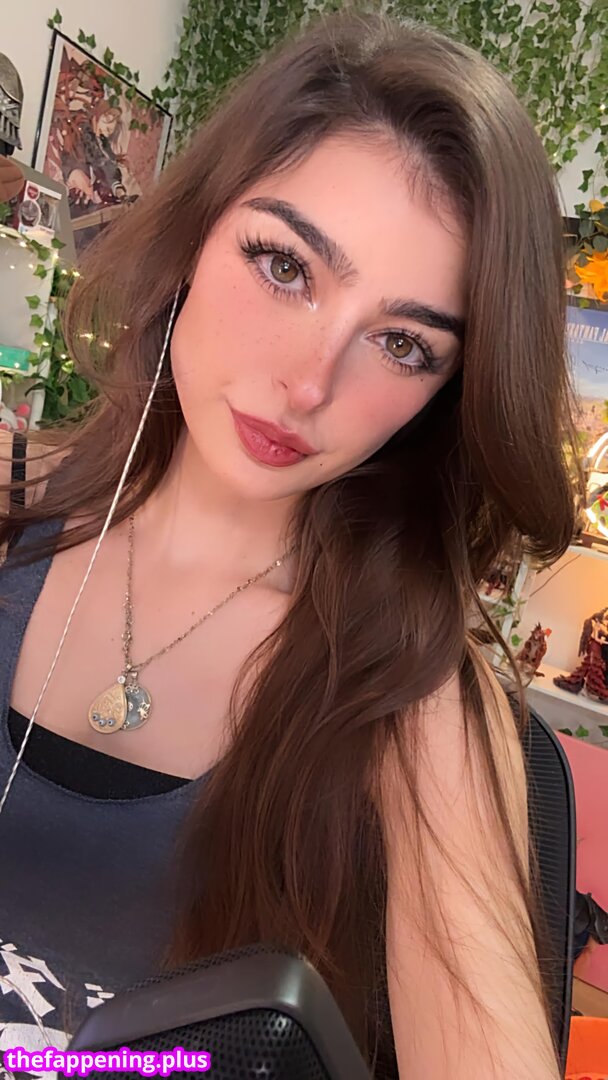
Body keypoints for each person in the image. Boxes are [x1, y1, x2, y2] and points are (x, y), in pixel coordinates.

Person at [0, 11, 578, 1078]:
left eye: (401, 343)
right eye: (284, 265)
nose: (308, 384)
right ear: (197, 233)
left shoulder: (411, 703)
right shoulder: (15, 522)